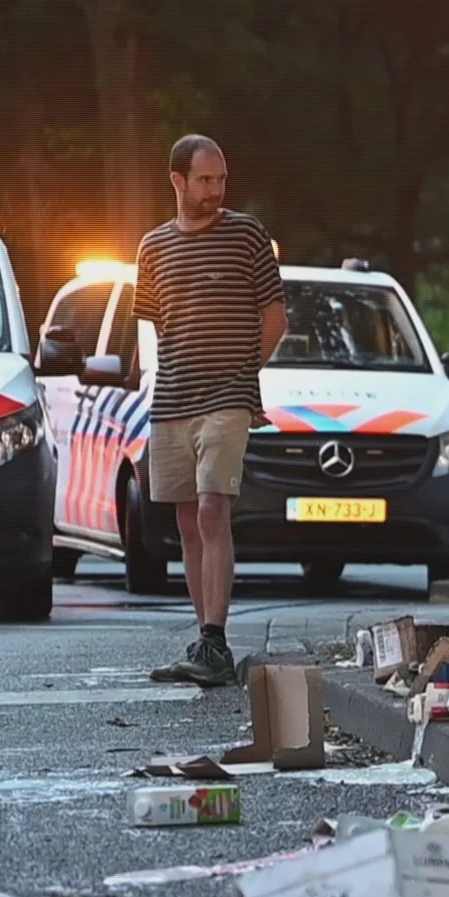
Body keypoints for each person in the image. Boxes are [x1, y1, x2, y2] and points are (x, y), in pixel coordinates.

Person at [141, 135, 288, 687]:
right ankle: (203, 638)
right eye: (205, 179)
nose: (215, 189)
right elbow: (159, 324)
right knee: (185, 519)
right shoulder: (153, 246)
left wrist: (244, 374)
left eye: (221, 179)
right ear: (177, 181)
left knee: (211, 509)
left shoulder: (247, 234)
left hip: (228, 398)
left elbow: (274, 317)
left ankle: (216, 639)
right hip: (173, 399)